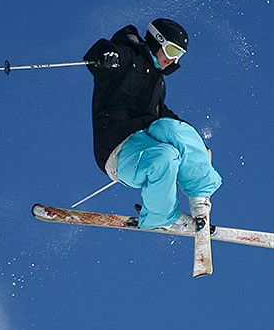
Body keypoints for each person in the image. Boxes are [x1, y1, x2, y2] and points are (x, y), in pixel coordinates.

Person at [83, 19, 221, 231]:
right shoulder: (127, 58)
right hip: (118, 150)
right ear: (158, 41)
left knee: (176, 129)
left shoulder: (157, 82)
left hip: (146, 138)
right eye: (172, 50)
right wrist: (106, 56)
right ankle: (162, 217)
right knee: (165, 158)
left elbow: (163, 117)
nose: (173, 60)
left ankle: (200, 198)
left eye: (179, 55)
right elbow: (98, 55)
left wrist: (197, 149)